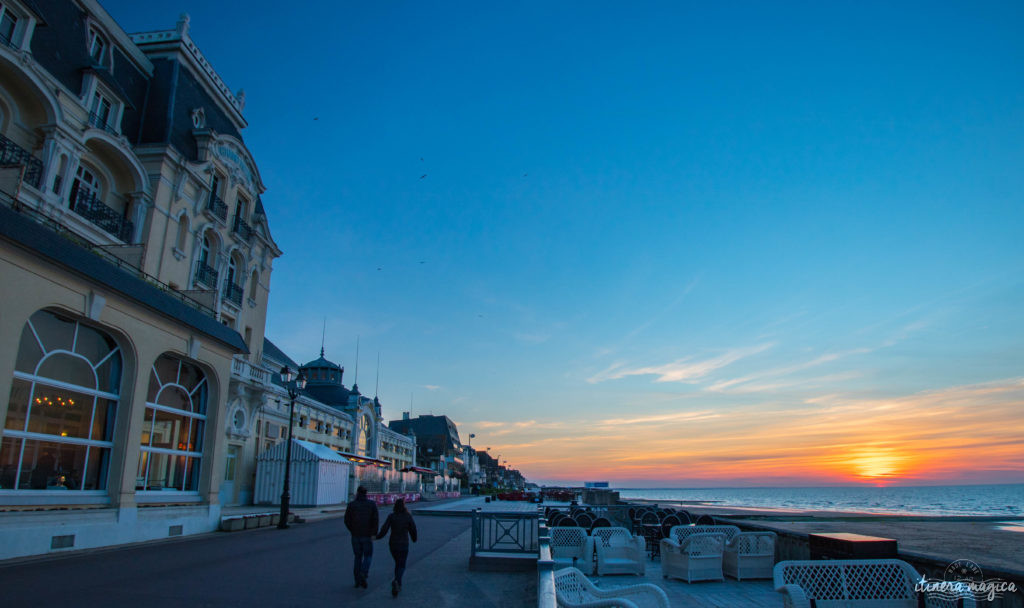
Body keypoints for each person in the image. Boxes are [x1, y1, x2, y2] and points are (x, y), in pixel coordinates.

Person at [376, 498, 418, 597]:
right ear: (404, 506)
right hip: (403, 544)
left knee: (397, 563)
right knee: (401, 565)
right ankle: (397, 581)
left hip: (393, 544)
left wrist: (377, 537)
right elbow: (413, 529)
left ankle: (398, 583)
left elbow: (384, 529)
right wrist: (414, 539)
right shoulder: (407, 516)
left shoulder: (391, 516)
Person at [344, 486, 379, 588]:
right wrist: (373, 533)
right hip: (367, 535)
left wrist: (352, 530)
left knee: (357, 557)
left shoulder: (352, 505)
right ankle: (363, 573)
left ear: (357, 493)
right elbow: (375, 520)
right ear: (366, 493)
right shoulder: (371, 504)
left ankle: (357, 580)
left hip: (355, 535)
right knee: (368, 556)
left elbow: (346, 520)